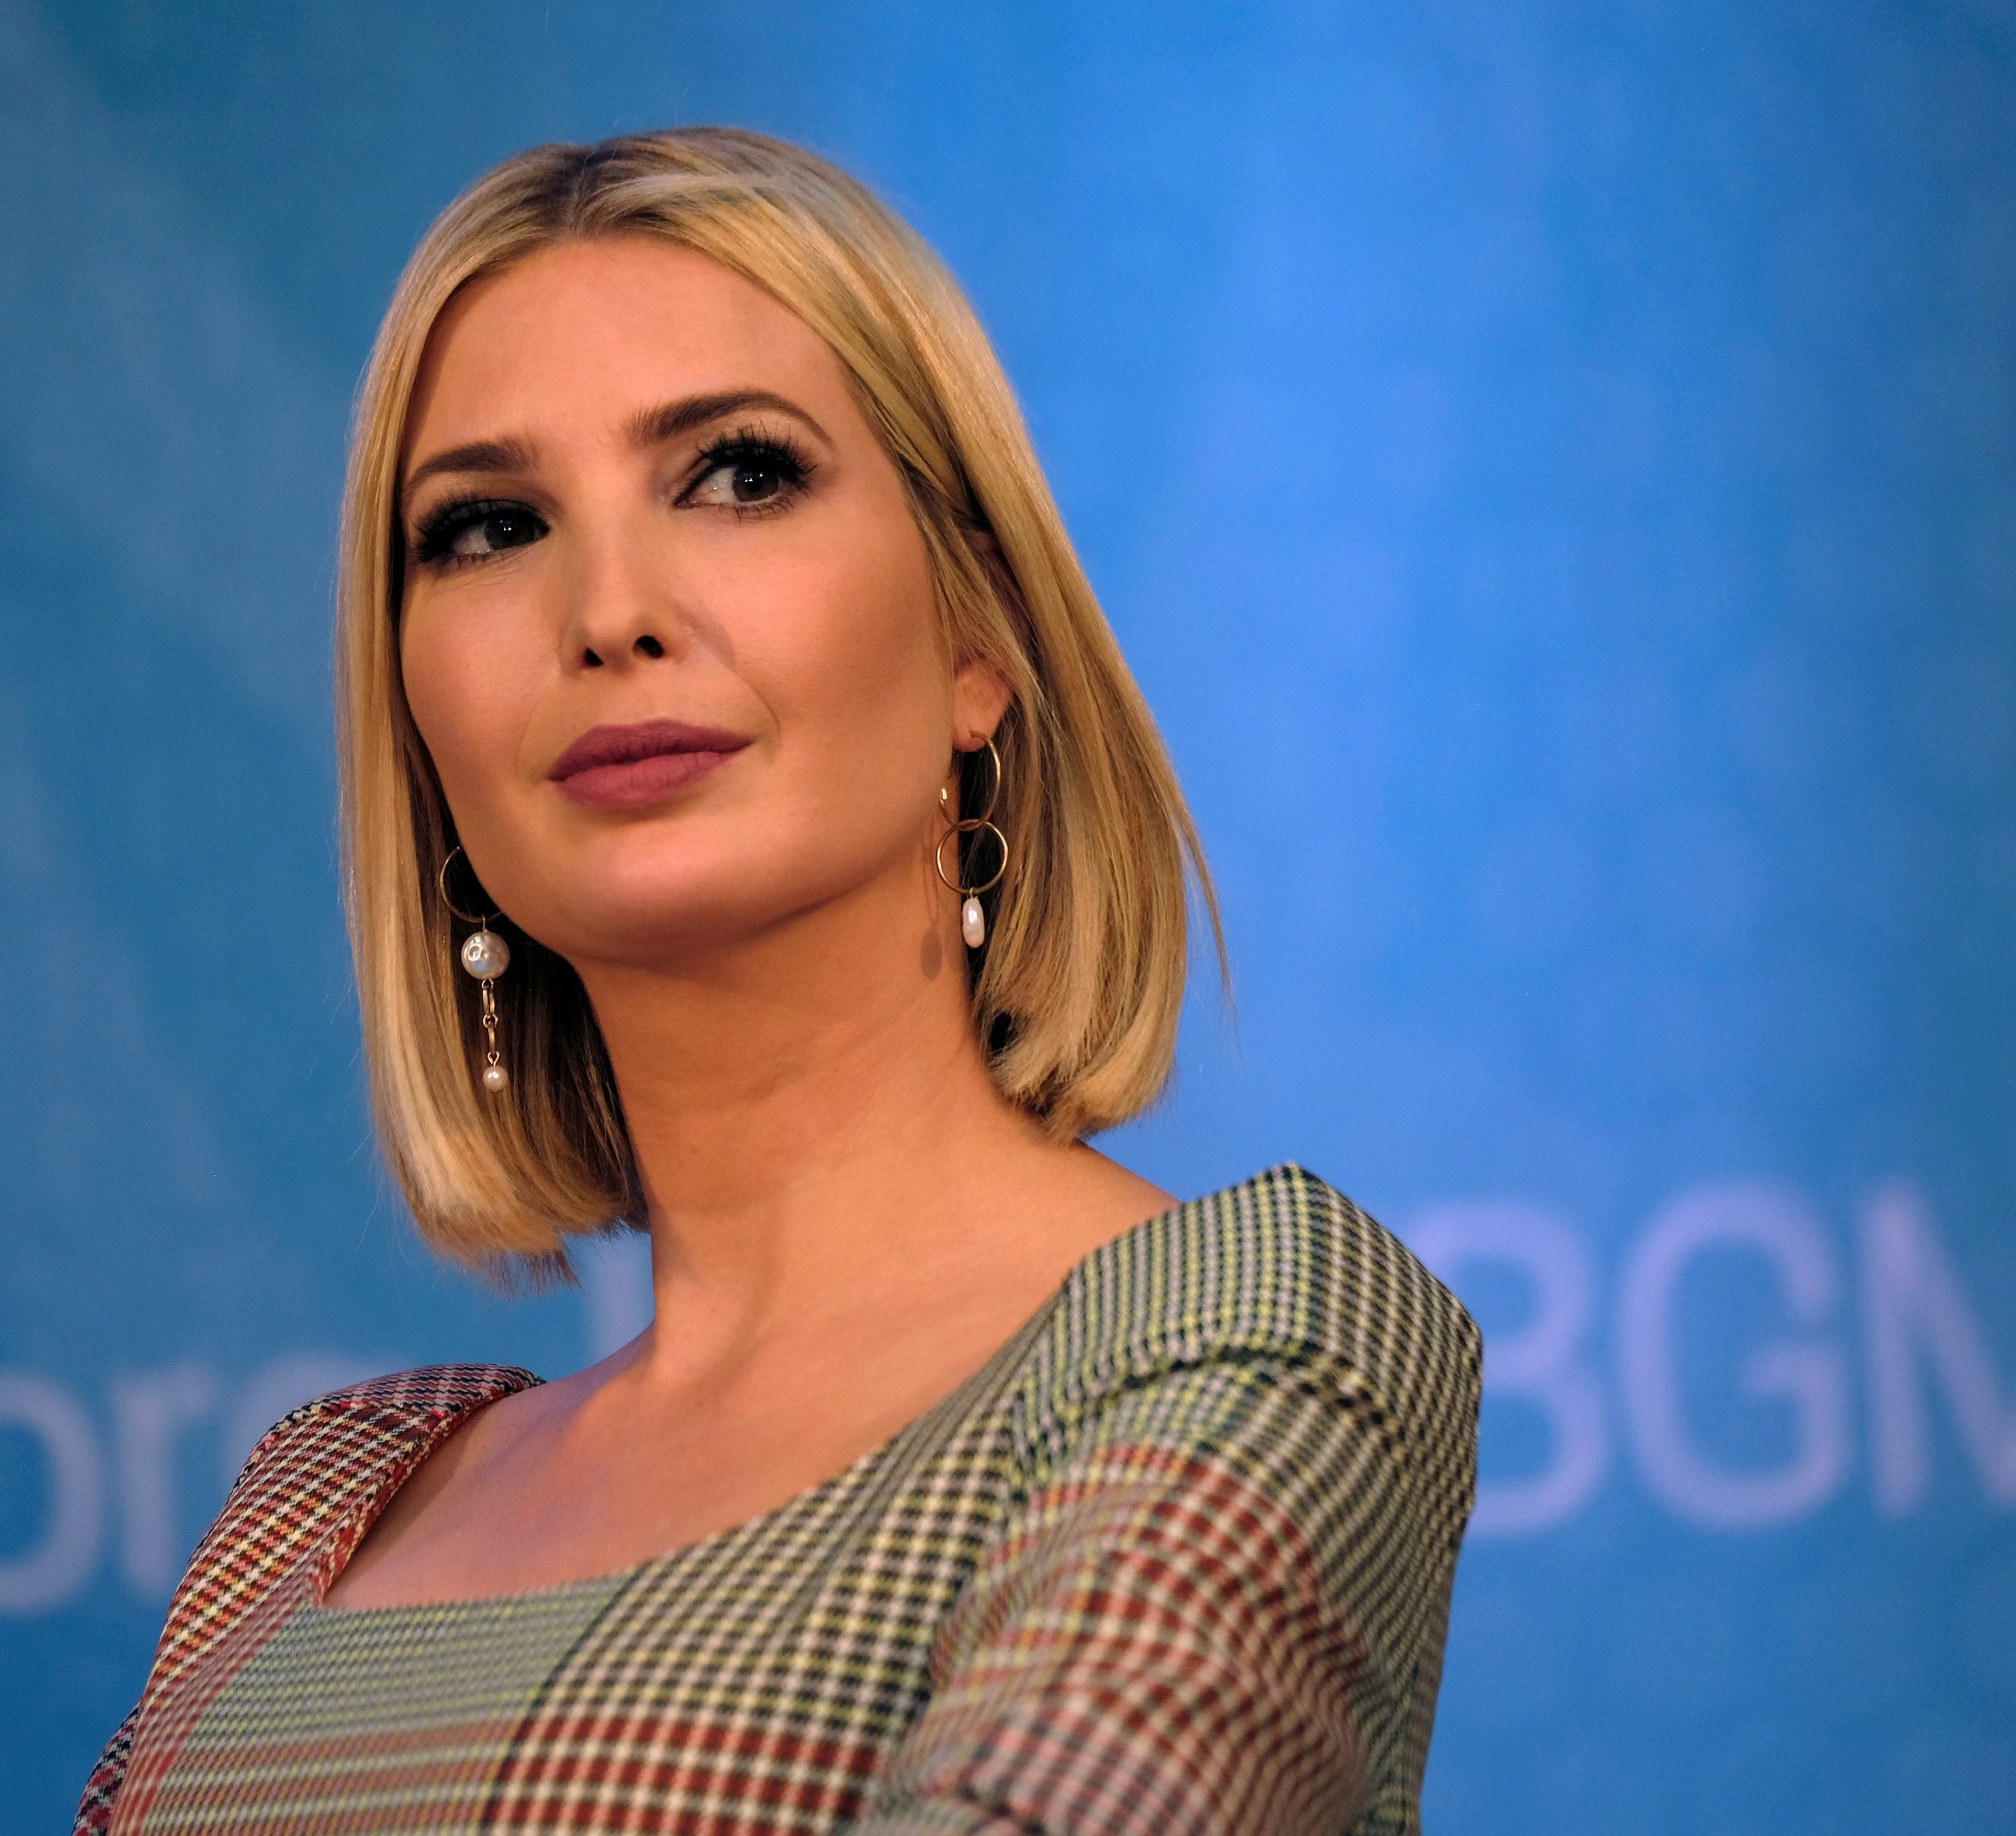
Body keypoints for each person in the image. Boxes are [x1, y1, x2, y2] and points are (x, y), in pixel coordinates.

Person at [74, 126, 1480, 1836]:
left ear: (978, 638)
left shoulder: (1244, 1330)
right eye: (491, 527)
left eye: (739, 476)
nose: (609, 612)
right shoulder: (319, 1503)